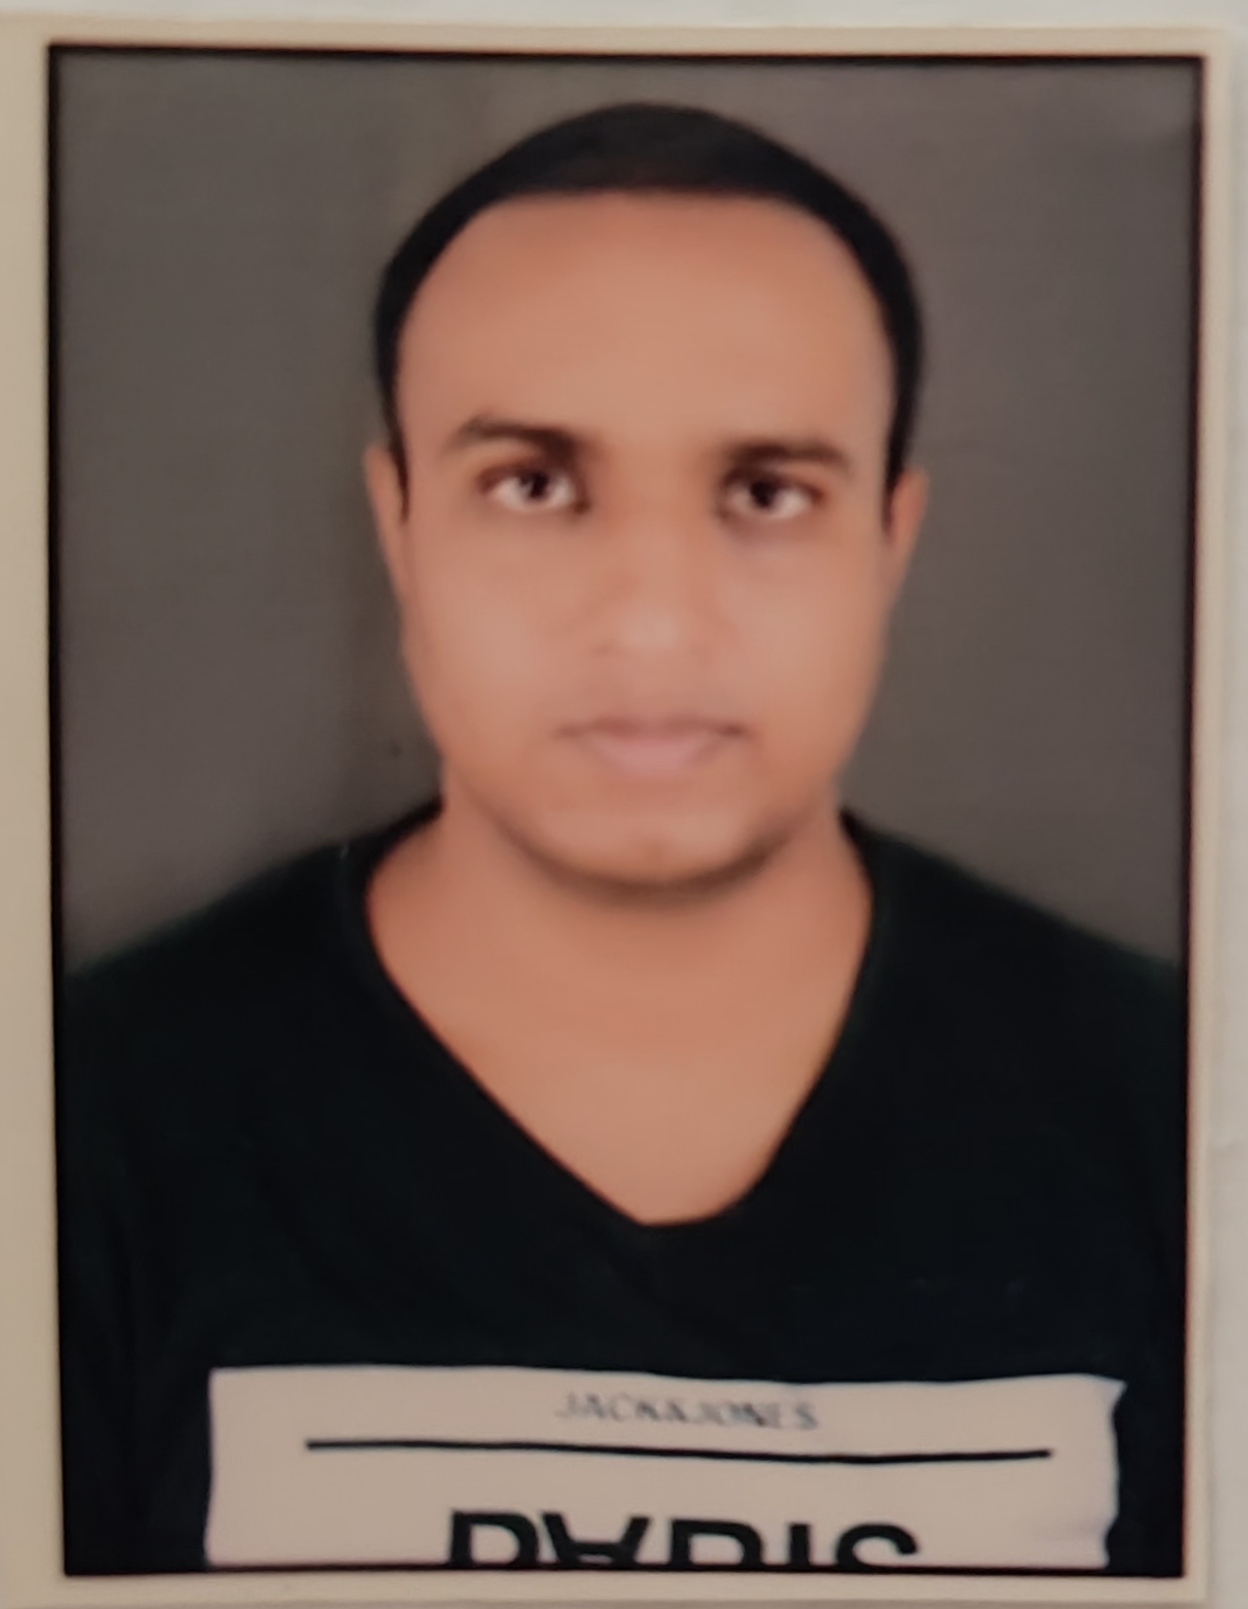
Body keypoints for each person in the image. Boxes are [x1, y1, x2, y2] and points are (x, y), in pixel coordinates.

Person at [57, 101, 1186, 1579]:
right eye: (534, 484)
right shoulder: (77, 1132)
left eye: (767, 493)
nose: (653, 624)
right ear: (401, 526)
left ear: (888, 543)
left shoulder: (1186, 1121)